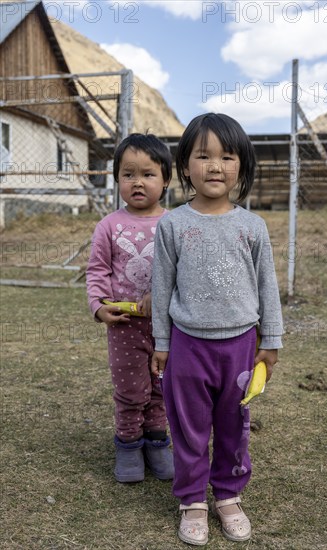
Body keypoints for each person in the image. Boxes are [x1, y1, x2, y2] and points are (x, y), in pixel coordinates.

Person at [151, 113, 283, 545]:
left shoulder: (252, 226)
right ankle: (192, 500)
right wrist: (163, 343)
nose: (214, 166)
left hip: (242, 346)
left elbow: (268, 286)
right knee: (188, 426)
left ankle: (228, 495)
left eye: (227, 156)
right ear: (184, 165)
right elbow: (161, 287)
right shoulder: (172, 224)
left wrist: (273, 340)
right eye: (202, 155)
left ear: (241, 165)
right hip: (188, 346)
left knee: (234, 424)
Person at [86, 133, 174, 483]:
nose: (138, 182)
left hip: (167, 329)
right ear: (117, 179)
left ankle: (157, 444)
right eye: (128, 174)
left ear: (166, 179)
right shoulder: (109, 226)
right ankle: (128, 446)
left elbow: (185, 272)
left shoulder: (175, 224)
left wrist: (162, 296)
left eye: (148, 174)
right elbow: (98, 271)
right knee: (130, 390)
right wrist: (98, 307)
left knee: (161, 388)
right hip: (124, 327)